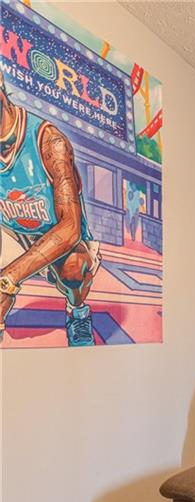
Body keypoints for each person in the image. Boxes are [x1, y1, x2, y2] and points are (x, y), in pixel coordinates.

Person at [0, 70, 100, 346]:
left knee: (73, 270)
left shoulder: (49, 141)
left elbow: (69, 228)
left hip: (58, 234)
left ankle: (77, 311)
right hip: (11, 231)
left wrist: (8, 278)